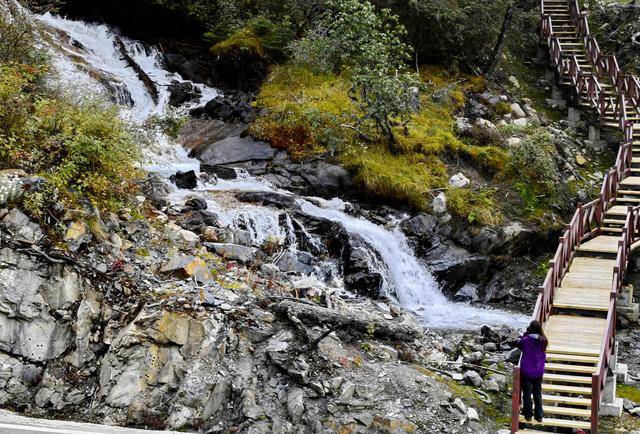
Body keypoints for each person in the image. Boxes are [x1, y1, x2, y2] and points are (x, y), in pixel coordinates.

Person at [518, 320, 548, 422]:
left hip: (526, 371)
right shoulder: (544, 341)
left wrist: (526, 333)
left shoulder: (525, 340)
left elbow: (520, 344)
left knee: (526, 393)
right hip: (538, 371)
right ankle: (539, 415)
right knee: (537, 393)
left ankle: (528, 415)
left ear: (530, 328)